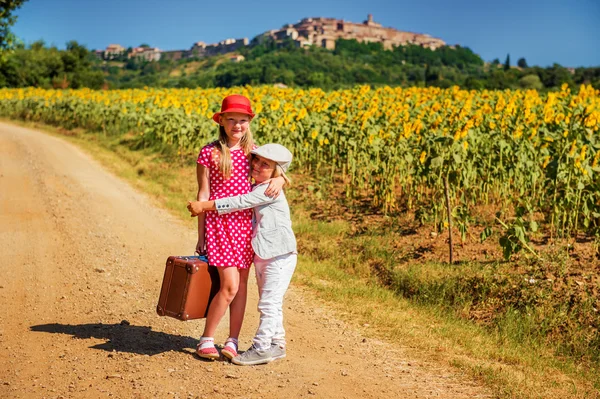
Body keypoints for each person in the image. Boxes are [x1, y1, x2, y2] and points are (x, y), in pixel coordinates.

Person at [188, 143, 297, 366]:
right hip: (265, 252)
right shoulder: (264, 185)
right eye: (255, 160)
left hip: (278, 253)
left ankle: (261, 347)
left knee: (268, 303)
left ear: (275, 170)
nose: (255, 165)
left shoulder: (267, 189)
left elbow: (239, 202)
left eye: (264, 164)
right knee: (272, 302)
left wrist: (204, 206)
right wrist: (280, 178)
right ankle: (277, 343)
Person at [194, 94, 284, 361]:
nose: (237, 125)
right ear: (221, 121)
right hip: (219, 226)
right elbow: (203, 195)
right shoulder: (209, 152)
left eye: (242, 120)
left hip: (247, 226)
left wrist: (282, 181)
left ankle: (232, 340)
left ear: (249, 122)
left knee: (243, 285)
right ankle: (206, 338)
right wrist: (201, 235)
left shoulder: (253, 151)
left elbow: (275, 171)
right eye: (231, 119)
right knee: (230, 285)